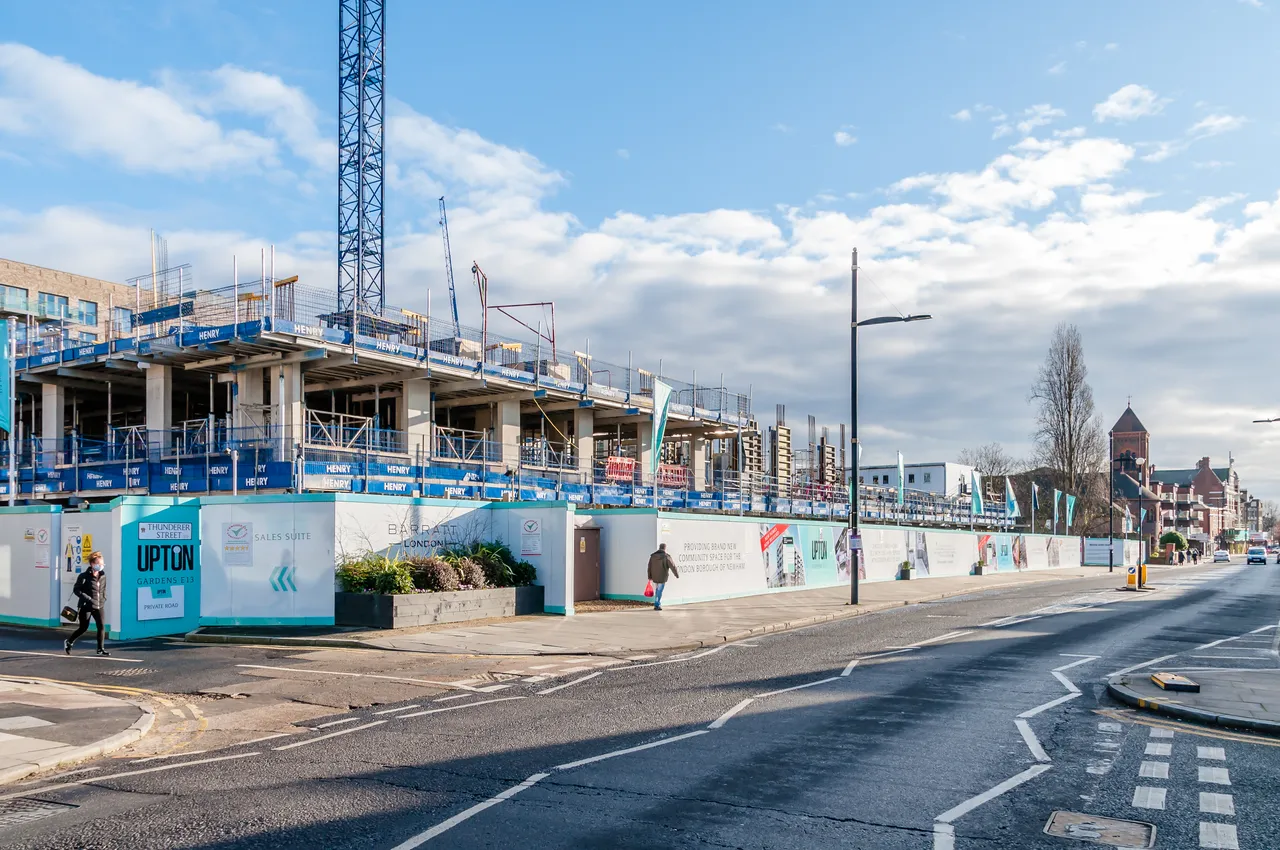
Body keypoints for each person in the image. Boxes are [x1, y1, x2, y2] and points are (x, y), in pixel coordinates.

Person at [65, 551, 109, 656]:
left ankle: (100, 649)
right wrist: (87, 598)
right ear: (92, 564)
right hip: (86, 606)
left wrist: (103, 598)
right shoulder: (84, 576)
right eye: (99, 564)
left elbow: (103, 589)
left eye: (102, 564)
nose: (101, 566)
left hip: (99, 605)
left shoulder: (103, 576)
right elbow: (76, 590)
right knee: (83, 628)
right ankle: (69, 642)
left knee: (101, 626)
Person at [647, 543, 679, 611]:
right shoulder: (666, 557)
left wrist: (649, 576)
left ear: (659, 548)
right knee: (659, 590)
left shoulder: (653, 556)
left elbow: (649, 567)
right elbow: (672, 566)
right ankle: (657, 604)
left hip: (654, 576)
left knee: (657, 590)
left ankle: (656, 603)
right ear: (665, 548)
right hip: (662, 576)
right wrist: (676, 574)